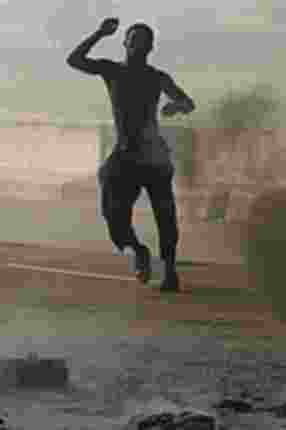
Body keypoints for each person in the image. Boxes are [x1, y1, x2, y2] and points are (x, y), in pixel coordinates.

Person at [66, 17, 195, 292]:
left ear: (150, 48)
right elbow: (74, 60)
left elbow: (187, 102)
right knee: (113, 215)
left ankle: (170, 271)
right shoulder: (112, 71)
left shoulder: (157, 77)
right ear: (125, 43)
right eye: (134, 39)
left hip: (153, 155)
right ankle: (138, 250)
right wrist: (99, 33)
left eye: (144, 41)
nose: (138, 44)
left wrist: (177, 107)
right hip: (124, 155)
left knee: (165, 213)